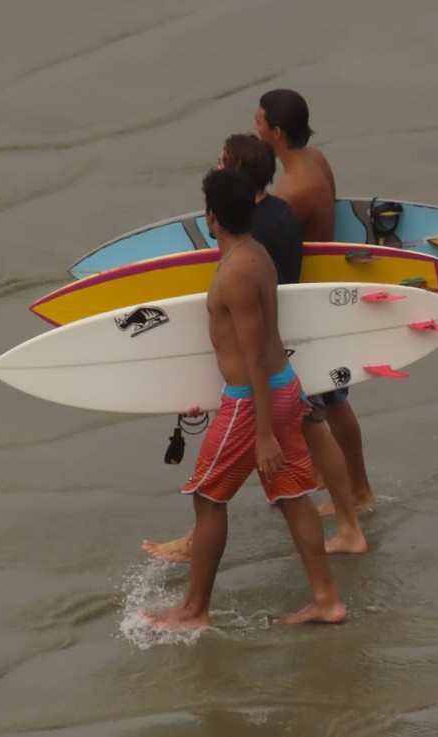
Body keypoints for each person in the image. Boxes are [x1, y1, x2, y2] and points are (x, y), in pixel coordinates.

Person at [142, 133, 367, 562]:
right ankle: (350, 523)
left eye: (224, 162)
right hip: (290, 352)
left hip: (270, 364)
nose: (219, 165)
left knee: (225, 485)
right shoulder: (278, 214)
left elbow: (244, 325)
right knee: (310, 446)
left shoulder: (248, 246)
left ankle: (199, 545)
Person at [254, 88, 377, 515]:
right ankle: (333, 477)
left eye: (259, 122)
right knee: (331, 396)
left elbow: (263, 242)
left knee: (332, 397)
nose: (255, 127)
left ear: (277, 131)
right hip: (322, 285)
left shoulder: (292, 189)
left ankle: (359, 492)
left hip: (306, 296)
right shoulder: (315, 160)